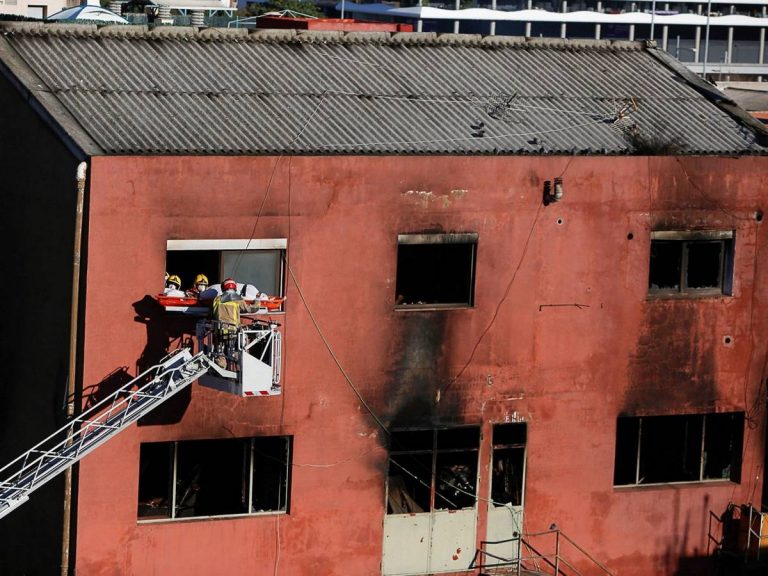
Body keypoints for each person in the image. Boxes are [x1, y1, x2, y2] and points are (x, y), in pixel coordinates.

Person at [211, 278, 259, 368]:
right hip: (232, 333)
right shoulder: (238, 299)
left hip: (219, 332)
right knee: (236, 351)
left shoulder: (217, 299)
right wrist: (258, 300)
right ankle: (240, 368)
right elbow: (251, 309)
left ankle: (221, 369)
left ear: (223, 288)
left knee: (220, 354)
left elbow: (212, 314)